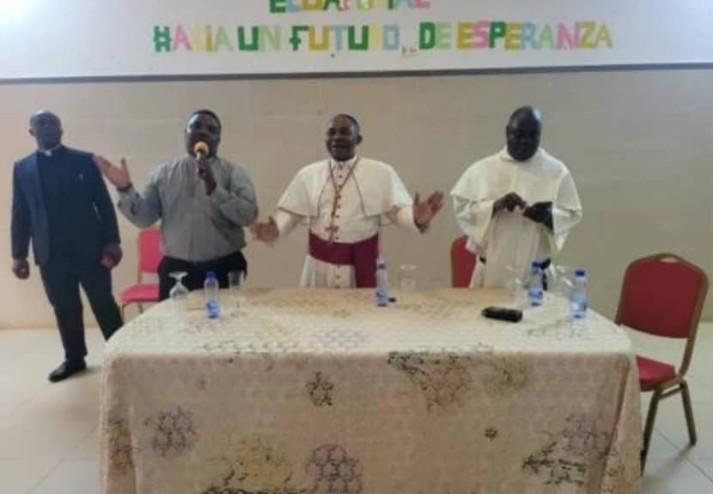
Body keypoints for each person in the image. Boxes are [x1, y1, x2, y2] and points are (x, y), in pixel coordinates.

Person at [252, 114, 443, 288]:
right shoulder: (308, 174)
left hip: (363, 264)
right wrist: (276, 229)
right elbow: (292, 212)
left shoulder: (381, 173)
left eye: (344, 132)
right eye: (331, 133)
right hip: (319, 266)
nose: (337, 137)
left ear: (358, 139)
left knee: (364, 314)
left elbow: (396, 211)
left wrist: (415, 218)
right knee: (316, 313)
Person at [94, 109, 259, 299]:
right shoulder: (163, 174)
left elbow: (248, 215)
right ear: (185, 133)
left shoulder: (234, 173)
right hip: (177, 272)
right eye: (196, 126)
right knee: (174, 319)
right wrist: (125, 188)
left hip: (224, 267)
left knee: (224, 318)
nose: (203, 132)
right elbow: (144, 218)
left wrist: (214, 188)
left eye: (211, 129)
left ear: (218, 140)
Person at [11, 110, 124, 382]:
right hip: (50, 253)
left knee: (103, 303)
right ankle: (74, 358)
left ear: (61, 130)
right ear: (31, 131)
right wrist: (18, 254)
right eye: (40, 123)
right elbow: (21, 212)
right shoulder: (22, 168)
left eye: (52, 123)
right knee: (64, 307)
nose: (47, 127)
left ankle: (122, 355)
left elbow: (104, 204)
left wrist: (113, 242)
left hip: (91, 249)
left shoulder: (84, 160)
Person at [451, 106, 582, 288]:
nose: (525, 142)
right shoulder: (482, 170)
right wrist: (495, 206)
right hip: (491, 276)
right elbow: (462, 210)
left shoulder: (556, 171)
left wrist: (548, 216)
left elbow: (572, 213)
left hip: (536, 278)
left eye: (532, 136)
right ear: (507, 132)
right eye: (519, 135)